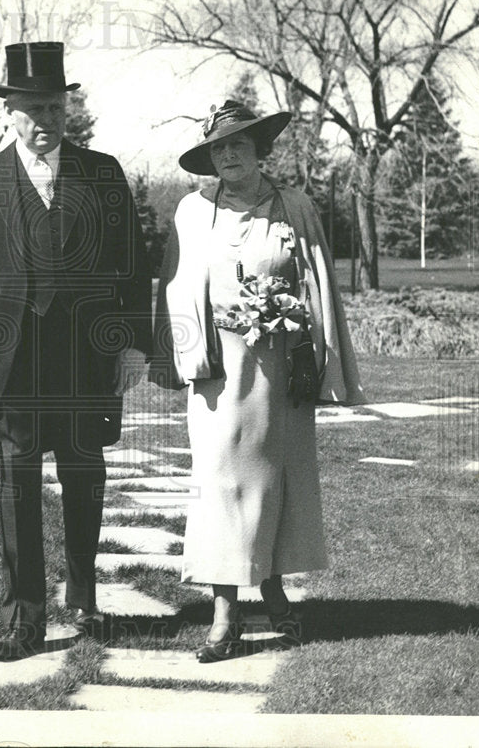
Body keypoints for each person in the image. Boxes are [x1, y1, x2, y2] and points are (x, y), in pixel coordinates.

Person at [0, 42, 152, 661]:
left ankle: (83, 596)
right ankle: (25, 618)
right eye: (32, 110)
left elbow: (135, 266)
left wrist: (135, 344)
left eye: (54, 107)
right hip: (12, 361)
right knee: (18, 482)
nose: (45, 120)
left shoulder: (102, 174)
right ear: (10, 113)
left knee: (85, 476)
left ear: (66, 109)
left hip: (86, 358)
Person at [151, 99, 364, 663]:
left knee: (275, 481)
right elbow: (174, 286)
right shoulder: (193, 211)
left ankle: (272, 593)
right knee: (220, 481)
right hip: (219, 370)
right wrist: (185, 353)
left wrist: (311, 352)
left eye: (239, 144)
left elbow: (317, 283)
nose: (229, 155)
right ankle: (225, 614)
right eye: (219, 147)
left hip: (279, 367)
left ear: (259, 149)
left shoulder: (295, 207)